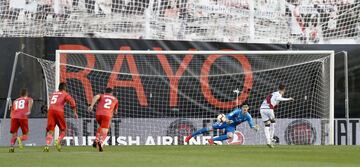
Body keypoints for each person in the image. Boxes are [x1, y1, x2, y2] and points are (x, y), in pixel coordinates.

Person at [184, 105, 259, 145]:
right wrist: (227, 120)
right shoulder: (237, 111)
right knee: (209, 128)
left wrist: (254, 127)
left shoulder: (248, 116)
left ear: (247, 110)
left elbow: (251, 125)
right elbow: (228, 116)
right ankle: (190, 137)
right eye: (243, 110)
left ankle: (211, 140)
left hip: (231, 126)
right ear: (242, 109)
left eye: (246, 110)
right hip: (225, 122)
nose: (244, 111)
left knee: (230, 136)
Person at [44, 82, 77, 152]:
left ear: (59, 88)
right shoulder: (65, 94)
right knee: (63, 130)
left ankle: (47, 145)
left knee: (50, 130)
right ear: (65, 88)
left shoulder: (54, 93)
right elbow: (72, 102)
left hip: (50, 110)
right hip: (59, 111)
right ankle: (57, 141)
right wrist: (74, 112)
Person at [260, 84, 293, 148]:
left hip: (262, 109)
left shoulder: (273, 93)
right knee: (273, 124)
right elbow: (279, 98)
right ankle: (271, 138)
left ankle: (268, 141)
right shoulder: (278, 94)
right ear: (283, 90)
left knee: (267, 125)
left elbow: (273, 100)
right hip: (269, 109)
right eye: (284, 90)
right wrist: (289, 99)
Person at [88, 87, 118, 152]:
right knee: (105, 131)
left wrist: (91, 105)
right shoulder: (115, 99)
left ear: (105, 92)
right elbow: (115, 111)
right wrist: (114, 111)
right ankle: (101, 143)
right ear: (112, 93)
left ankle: (96, 139)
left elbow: (96, 96)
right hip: (107, 115)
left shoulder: (102, 95)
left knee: (101, 127)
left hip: (98, 114)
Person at [9, 88, 33, 152]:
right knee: (26, 134)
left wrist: (12, 116)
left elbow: (12, 109)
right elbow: (31, 101)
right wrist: (29, 110)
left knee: (14, 134)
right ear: (26, 94)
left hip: (14, 117)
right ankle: (20, 139)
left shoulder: (15, 100)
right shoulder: (28, 99)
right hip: (23, 116)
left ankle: (11, 147)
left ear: (20, 94)